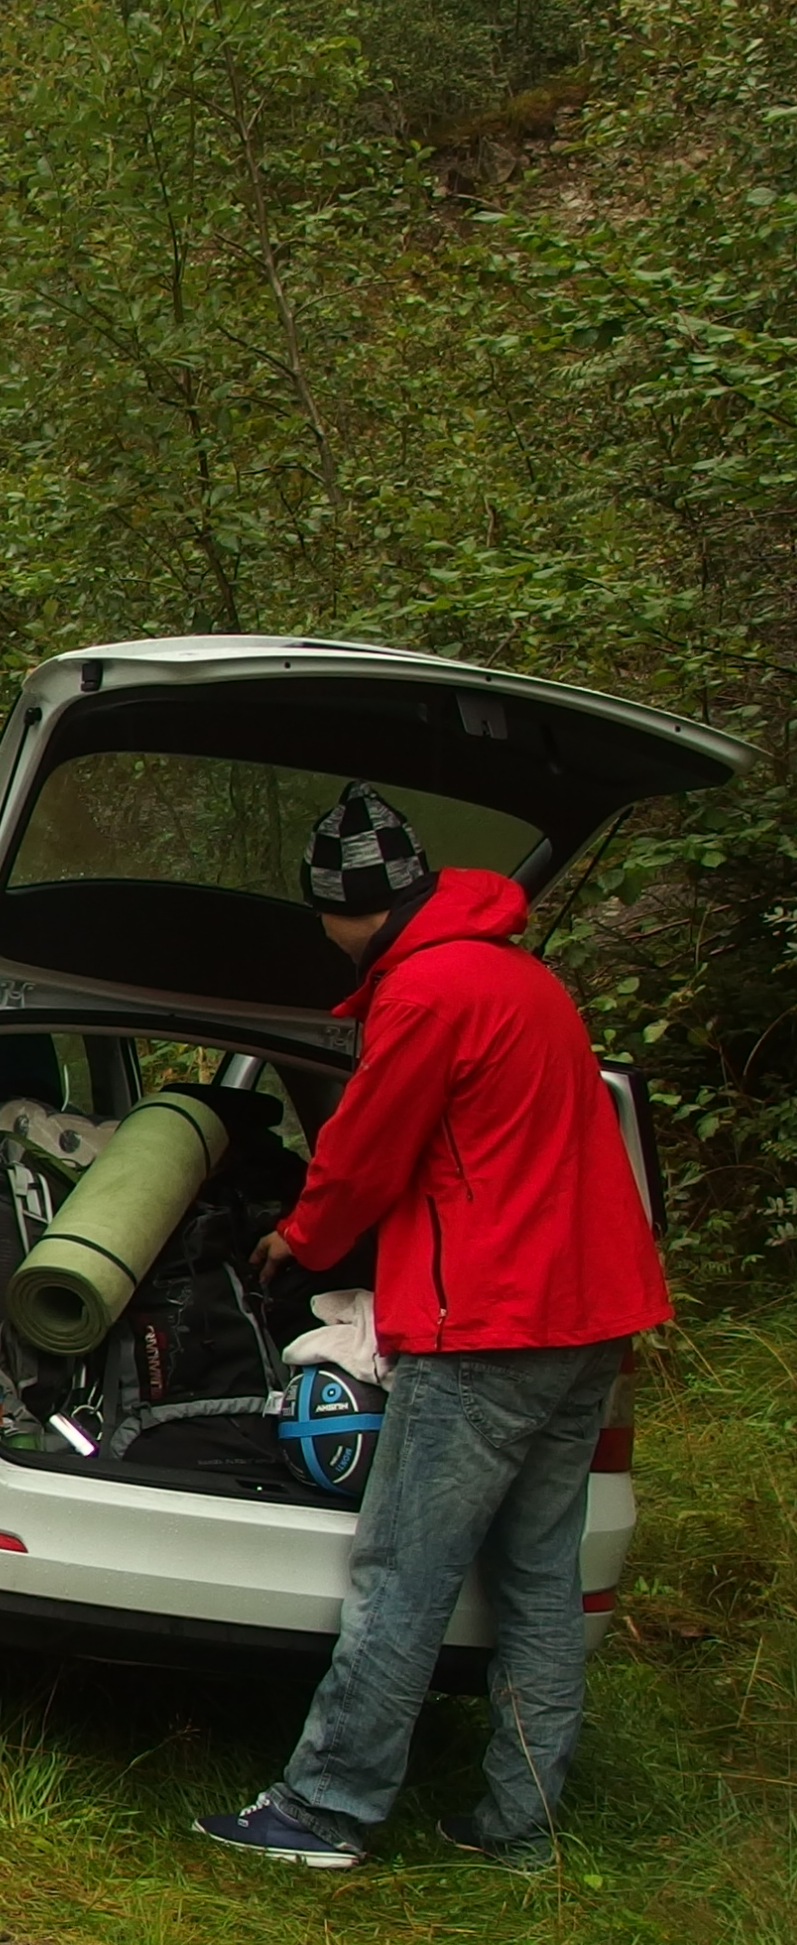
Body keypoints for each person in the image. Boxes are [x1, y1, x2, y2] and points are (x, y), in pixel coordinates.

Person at [196, 784, 669, 1874]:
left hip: (489, 1324)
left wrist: (296, 1241)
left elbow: (366, 1152)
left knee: (404, 1567)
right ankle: (523, 1824)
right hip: (590, 1315)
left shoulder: (425, 992)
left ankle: (325, 1807)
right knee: (540, 1572)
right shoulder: (519, 973)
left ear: (338, 909)